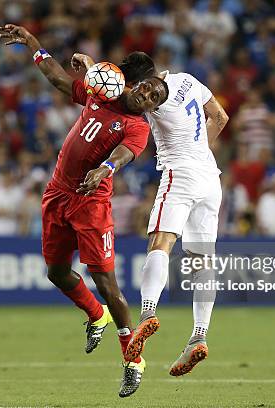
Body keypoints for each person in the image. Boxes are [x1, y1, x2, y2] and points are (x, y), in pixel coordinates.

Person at [0, 24, 168, 398]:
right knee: (57, 273)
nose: (146, 95)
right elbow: (59, 79)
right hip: (57, 194)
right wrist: (34, 44)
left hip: (92, 204)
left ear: (154, 108)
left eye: (153, 97)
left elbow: (124, 155)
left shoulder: (137, 127)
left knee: (108, 284)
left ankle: (133, 360)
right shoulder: (101, 93)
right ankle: (95, 315)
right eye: (145, 87)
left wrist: (106, 168)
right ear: (134, 85)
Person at [71, 49, 229, 378]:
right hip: (210, 178)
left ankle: (147, 314)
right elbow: (221, 118)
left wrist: (88, 63)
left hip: (180, 176)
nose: (144, 96)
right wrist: (200, 151)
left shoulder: (149, 102)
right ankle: (199, 335)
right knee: (203, 260)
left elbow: (112, 88)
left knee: (160, 243)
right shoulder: (188, 80)